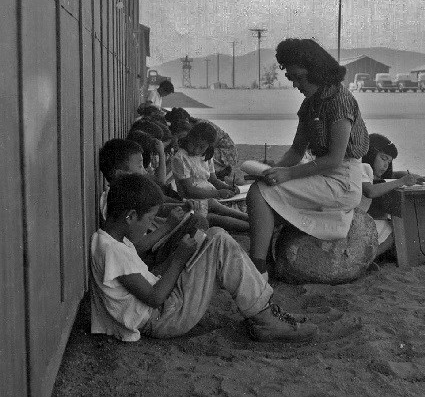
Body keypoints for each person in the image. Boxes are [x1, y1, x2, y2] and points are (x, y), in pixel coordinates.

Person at [90, 173, 318, 343]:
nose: (150, 226)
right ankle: (265, 317)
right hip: (162, 319)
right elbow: (154, 298)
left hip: (163, 310)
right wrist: (179, 259)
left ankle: (264, 310)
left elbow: (142, 266)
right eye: (149, 220)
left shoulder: (112, 241)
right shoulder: (111, 251)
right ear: (130, 216)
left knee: (212, 236)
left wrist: (186, 252)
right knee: (219, 242)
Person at [245, 38, 369, 275]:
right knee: (262, 186)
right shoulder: (310, 104)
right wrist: (273, 171)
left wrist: (288, 173)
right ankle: (262, 262)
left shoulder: (340, 101)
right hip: (323, 172)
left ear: (318, 71)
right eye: (292, 79)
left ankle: (258, 267)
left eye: (300, 78)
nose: (296, 84)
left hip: (342, 181)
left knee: (258, 194)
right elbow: (296, 151)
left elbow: (334, 159)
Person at [98, 138, 208, 267]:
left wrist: (181, 207)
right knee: (198, 223)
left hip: (152, 248)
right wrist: (168, 226)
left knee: (199, 223)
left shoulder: (125, 195)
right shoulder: (114, 202)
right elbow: (136, 247)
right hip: (147, 259)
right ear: (120, 174)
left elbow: (156, 208)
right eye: (140, 166)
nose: (144, 171)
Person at [172, 122, 250, 233]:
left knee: (230, 212)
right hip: (192, 203)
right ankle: (255, 228)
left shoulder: (206, 155)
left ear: (209, 146)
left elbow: (213, 180)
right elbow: (189, 191)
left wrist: (227, 187)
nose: (196, 150)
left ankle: (254, 220)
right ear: (189, 138)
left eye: (202, 147)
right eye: (194, 144)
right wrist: (218, 193)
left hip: (208, 197)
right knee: (218, 219)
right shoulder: (180, 158)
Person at [359, 134, 425, 257]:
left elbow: (393, 174)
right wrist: (402, 181)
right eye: (383, 158)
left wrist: (415, 177)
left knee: (396, 223)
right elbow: (370, 191)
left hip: (362, 218)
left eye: (389, 162)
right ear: (370, 154)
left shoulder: (369, 171)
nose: (386, 165)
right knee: (397, 228)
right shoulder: (361, 169)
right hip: (357, 222)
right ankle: (368, 259)